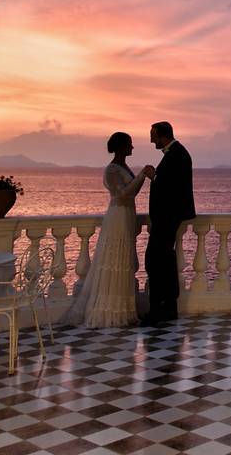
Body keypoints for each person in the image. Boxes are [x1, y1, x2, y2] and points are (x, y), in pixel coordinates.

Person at [63, 132, 152, 328]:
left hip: (127, 215)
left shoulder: (123, 167)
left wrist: (141, 177)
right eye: (130, 144)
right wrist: (142, 175)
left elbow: (132, 192)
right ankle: (108, 311)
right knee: (114, 259)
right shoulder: (111, 170)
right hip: (118, 215)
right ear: (121, 147)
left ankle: (125, 310)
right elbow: (122, 194)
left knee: (124, 260)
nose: (132, 147)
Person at [142, 121, 195, 325]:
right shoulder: (176, 153)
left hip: (167, 218)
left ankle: (160, 309)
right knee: (162, 262)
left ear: (163, 135)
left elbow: (171, 187)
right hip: (167, 218)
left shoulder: (177, 155)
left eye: (152, 135)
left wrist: (154, 177)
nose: (150, 139)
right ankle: (166, 308)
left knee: (155, 262)